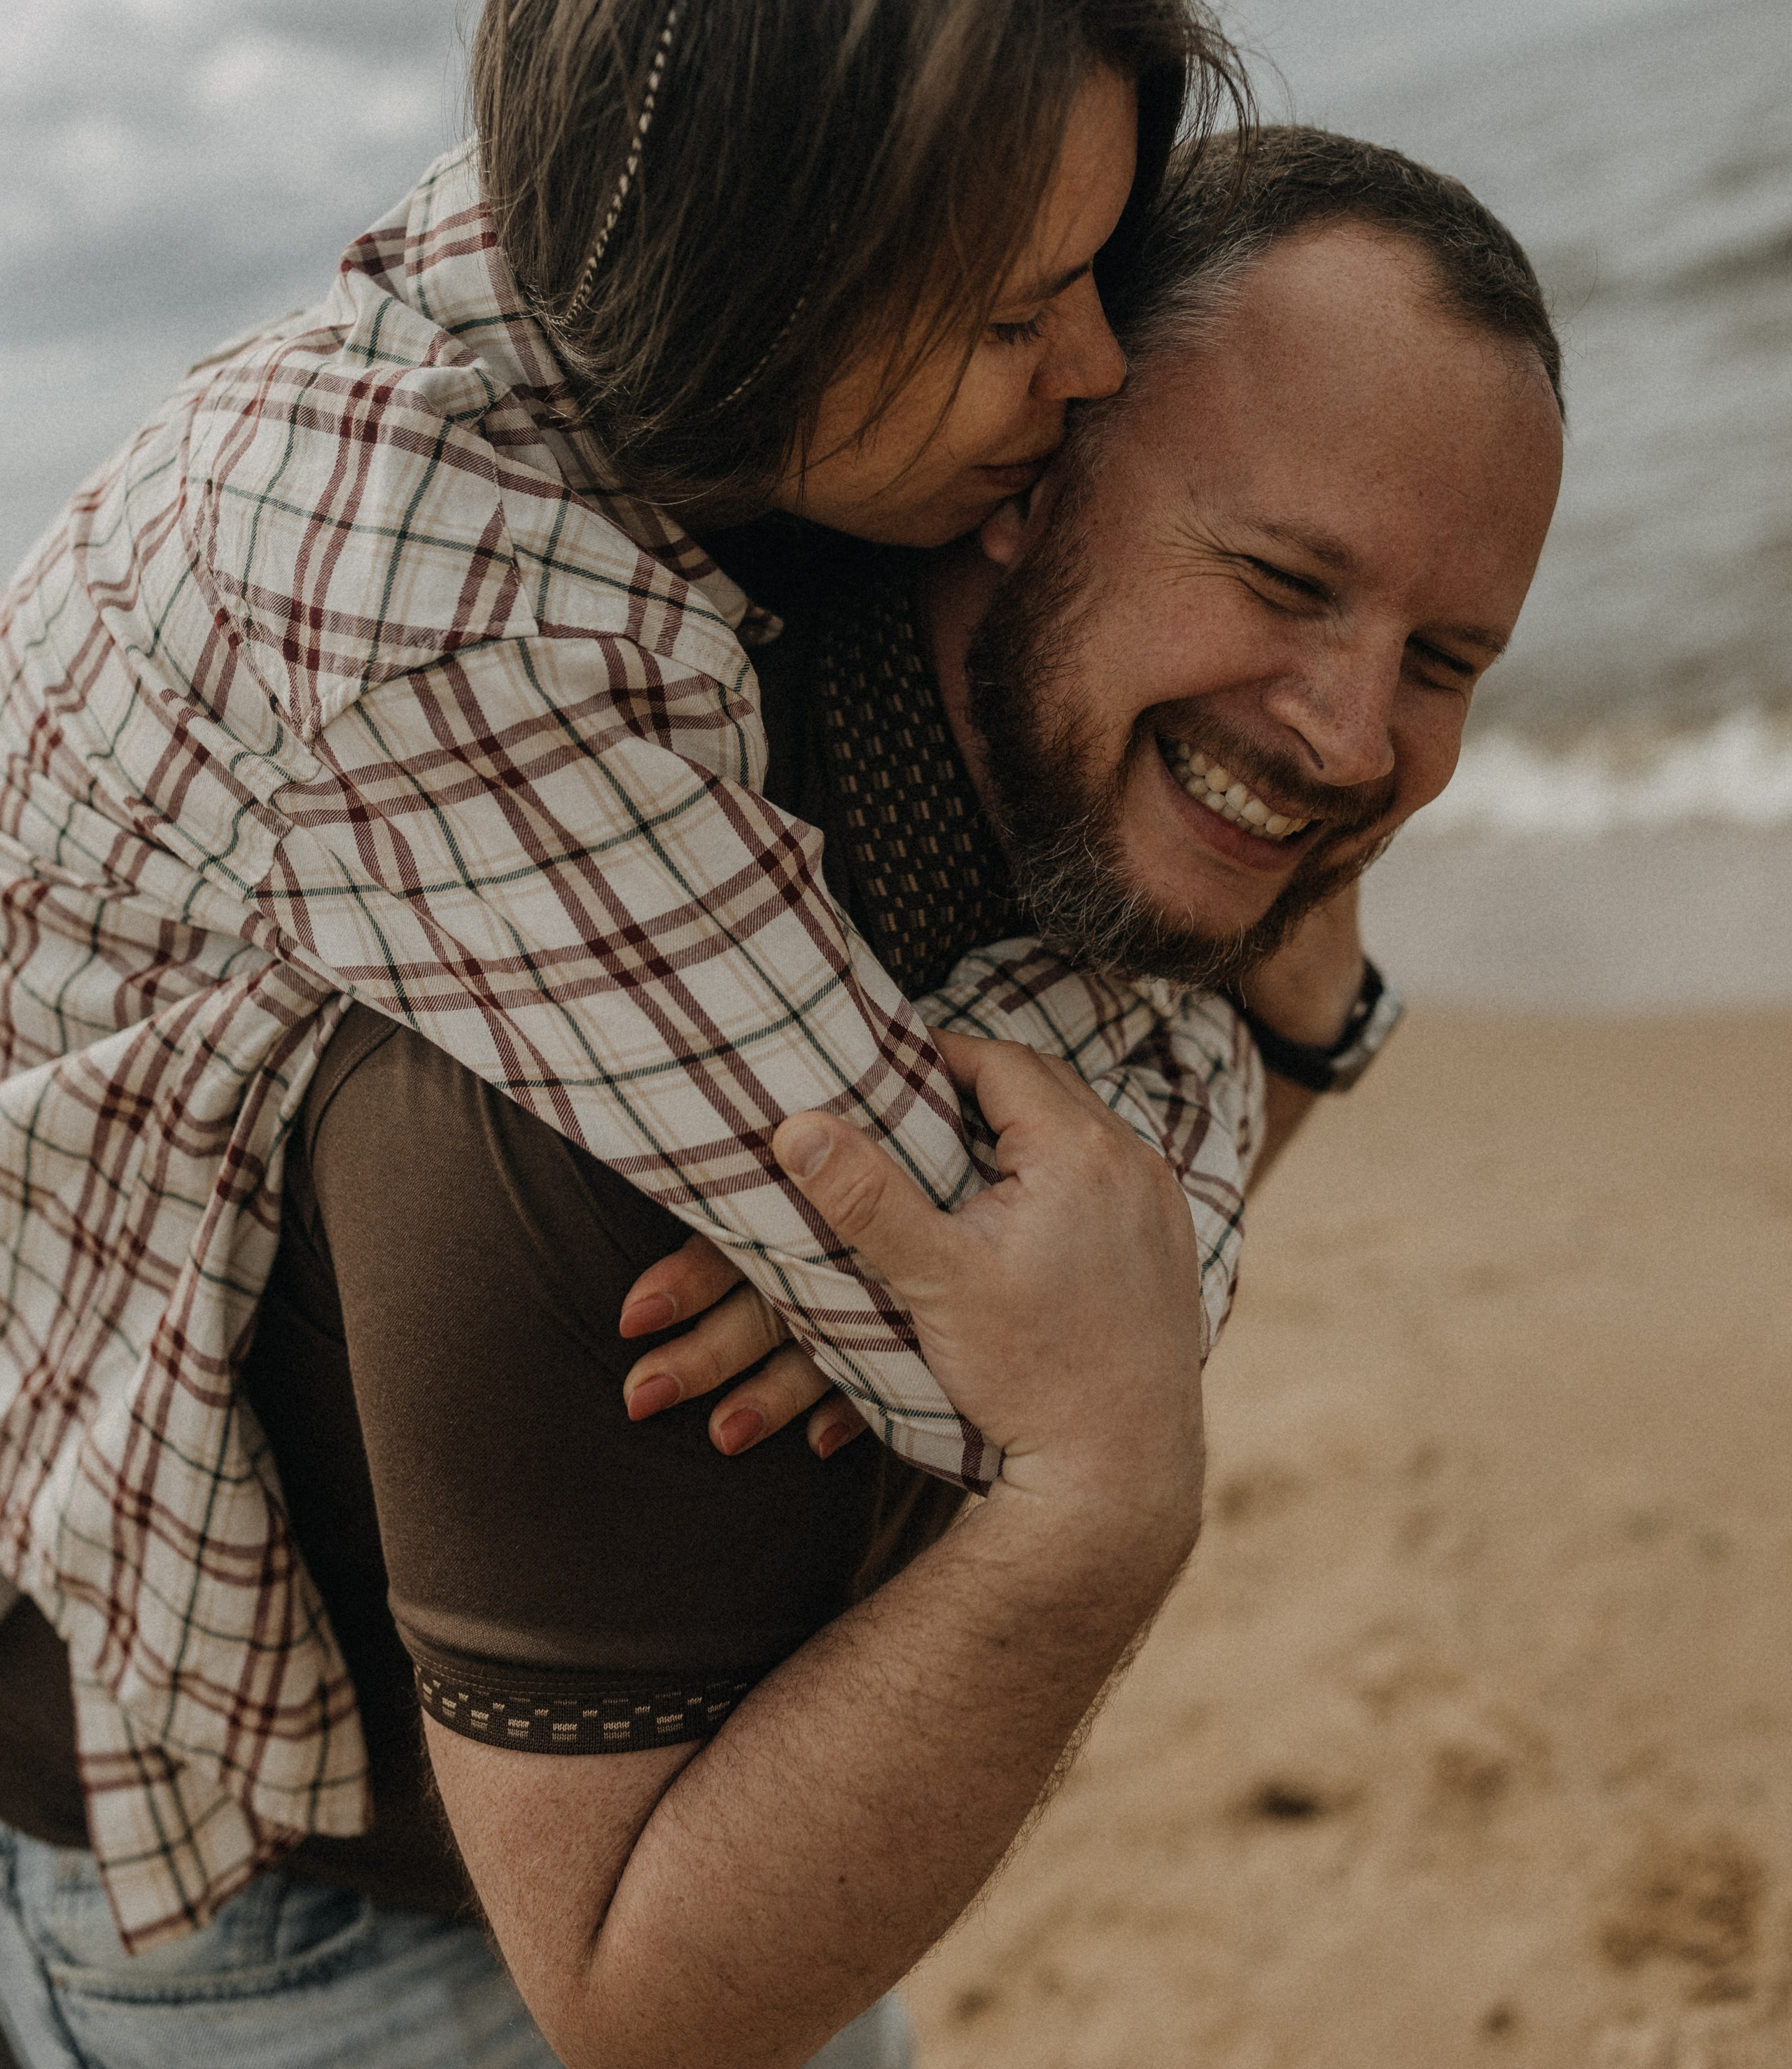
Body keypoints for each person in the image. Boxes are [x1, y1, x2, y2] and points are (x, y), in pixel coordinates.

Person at [0, 129, 1563, 2066]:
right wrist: (1103, 1494)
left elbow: (1105, 1265)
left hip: (715, 1799)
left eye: (1446, 657)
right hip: (335, 1937)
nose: (1350, 729)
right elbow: (641, 2006)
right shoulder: (588, 1004)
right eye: (1279, 576)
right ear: (1029, 463)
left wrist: (1298, 994)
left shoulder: (1055, 827)